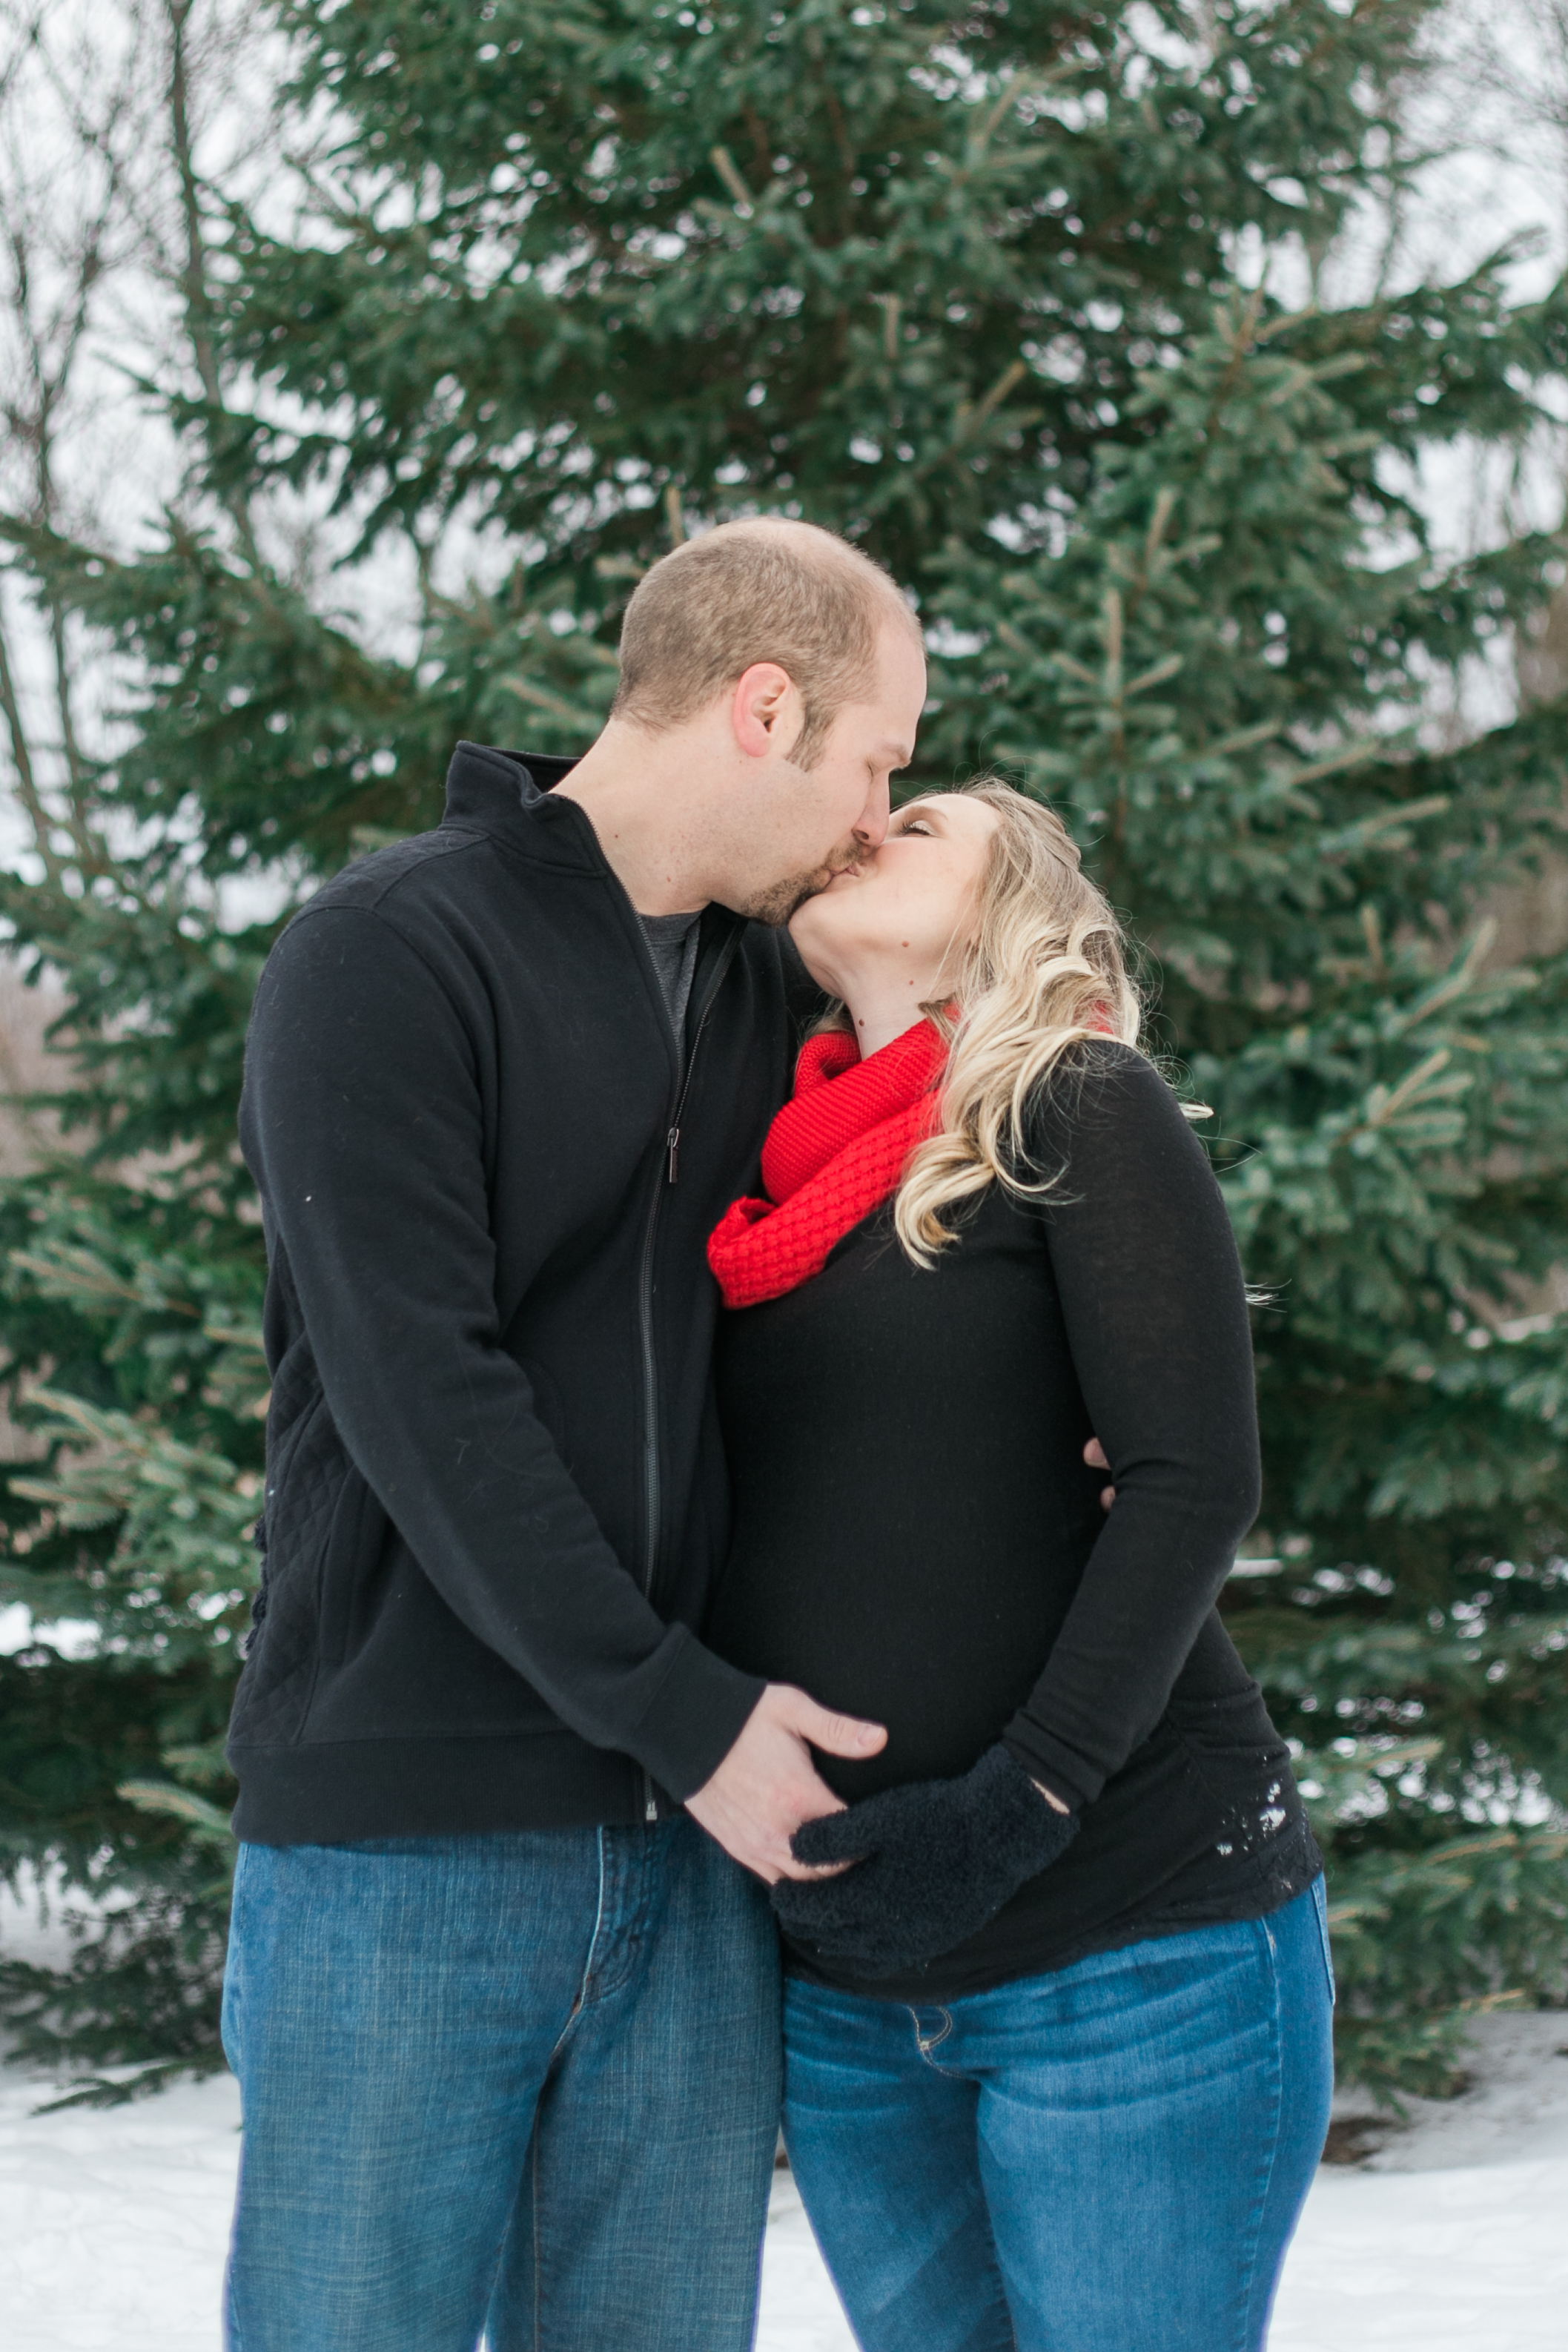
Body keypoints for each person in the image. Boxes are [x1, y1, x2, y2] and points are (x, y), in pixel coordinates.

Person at [221, 518, 928, 2352]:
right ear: (764, 708)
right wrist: (681, 1710)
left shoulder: (788, 995)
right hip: (407, 1847)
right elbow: (419, 1389)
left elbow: (878, 1330)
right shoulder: (388, 952)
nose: (878, 816)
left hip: (695, 1877)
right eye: (879, 761)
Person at [705, 779, 1334, 2352]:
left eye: (917, 823)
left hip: (1133, 1947)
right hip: (855, 1987)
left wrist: (1014, 1807)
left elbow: (1192, 1479)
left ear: (1010, 913)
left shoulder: (1070, 1102)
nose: (863, 828)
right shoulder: (763, 1179)